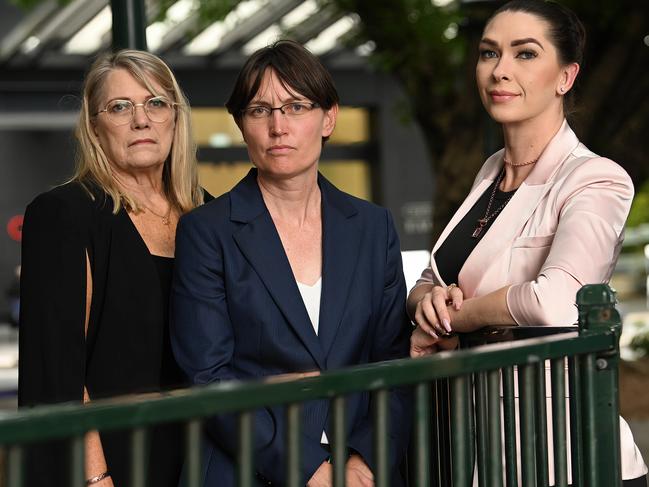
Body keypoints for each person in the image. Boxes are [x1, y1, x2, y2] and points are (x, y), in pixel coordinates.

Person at [408, 1, 647, 485]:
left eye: (525, 54)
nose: (500, 70)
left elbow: (555, 300)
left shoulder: (595, 178)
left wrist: (456, 316)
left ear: (566, 76)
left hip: (565, 453)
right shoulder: (490, 171)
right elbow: (433, 277)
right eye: (488, 53)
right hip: (478, 445)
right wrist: (426, 304)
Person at [171, 40, 411, 487]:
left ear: (329, 118)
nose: (278, 126)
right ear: (242, 125)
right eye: (260, 110)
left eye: (296, 106)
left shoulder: (372, 226)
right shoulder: (207, 232)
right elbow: (208, 377)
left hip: (362, 470)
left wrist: (366, 461)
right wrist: (309, 471)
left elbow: (394, 364)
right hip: (247, 467)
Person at [18, 49, 209, 487]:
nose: (141, 120)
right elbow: (57, 375)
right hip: (115, 464)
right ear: (95, 127)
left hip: (208, 460)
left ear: (176, 119)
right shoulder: (65, 215)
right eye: (120, 107)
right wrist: (95, 478)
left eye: (156, 103)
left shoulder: (209, 215)